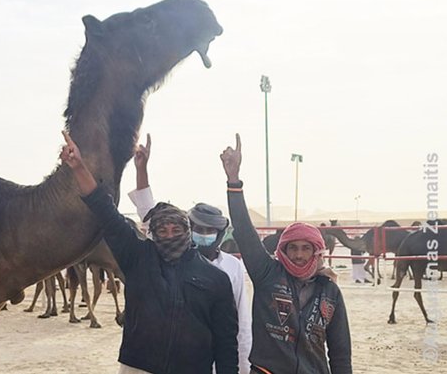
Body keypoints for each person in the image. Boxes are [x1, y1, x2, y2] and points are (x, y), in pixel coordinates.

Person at [60, 131, 239, 374]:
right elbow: (106, 211)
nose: (169, 235)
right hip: (139, 368)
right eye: (162, 230)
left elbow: (226, 342)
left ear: (186, 231)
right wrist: (79, 167)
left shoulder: (215, 279)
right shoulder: (138, 258)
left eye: (176, 229)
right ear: (153, 233)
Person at [221, 134, 352, 374]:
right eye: (293, 247)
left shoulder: (330, 292)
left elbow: (340, 352)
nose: (299, 255)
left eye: (306, 248)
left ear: (317, 251)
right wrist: (233, 181)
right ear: (283, 250)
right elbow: (244, 231)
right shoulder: (267, 274)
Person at [128, 133, 252, 374]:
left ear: (220, 233)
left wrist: (242, 368)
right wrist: (141, 168)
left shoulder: (232, 268)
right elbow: (147, 209)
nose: (203, 234)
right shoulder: (169, 255)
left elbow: (242, 325)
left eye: (209, 230)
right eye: (197, 228)